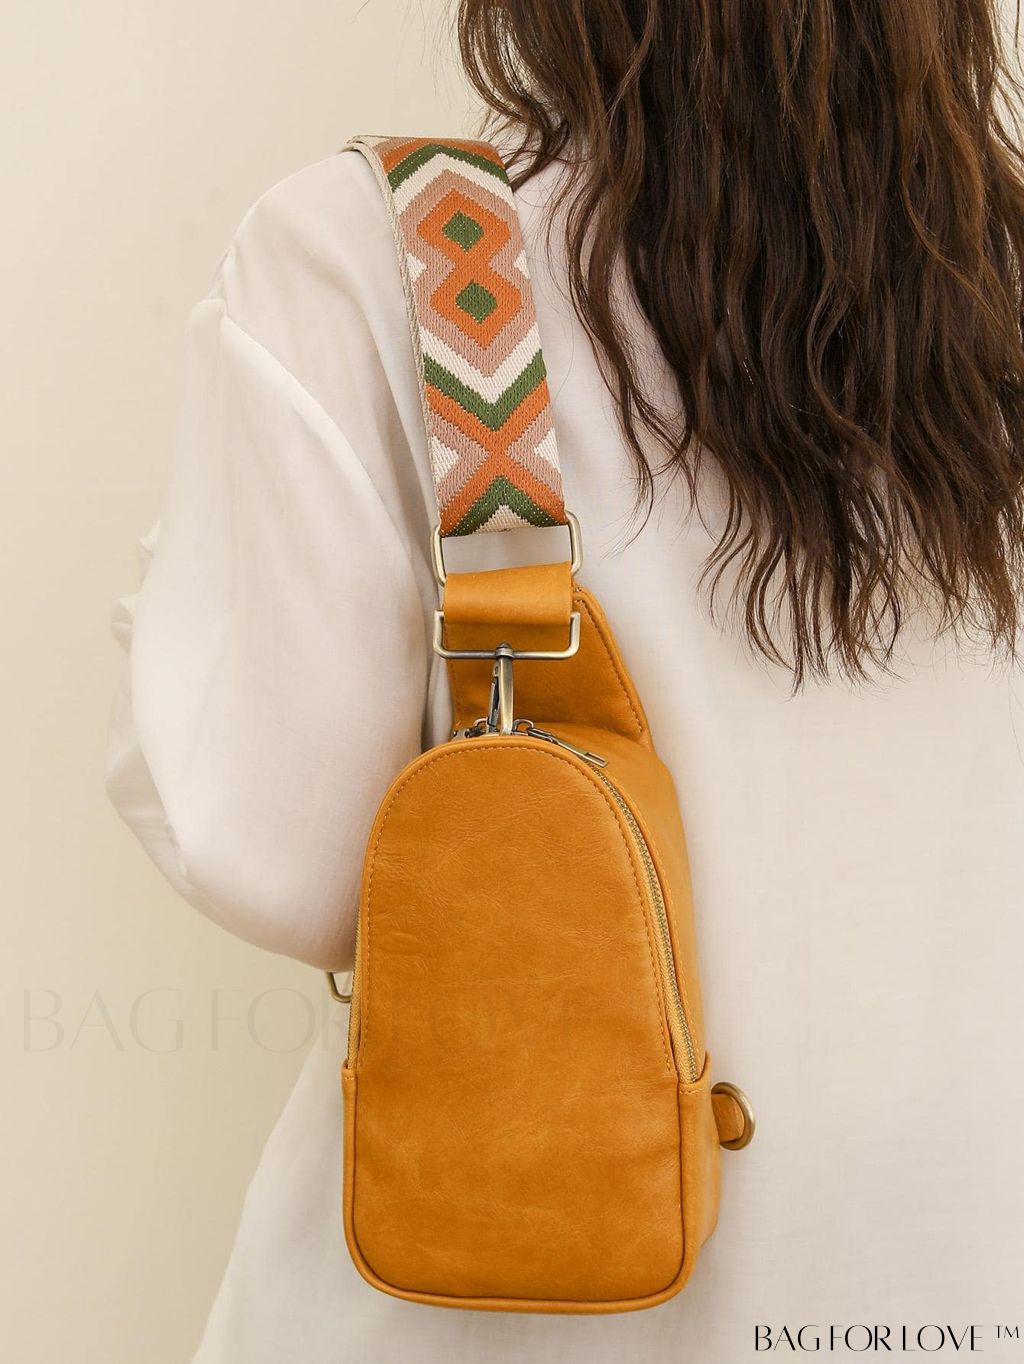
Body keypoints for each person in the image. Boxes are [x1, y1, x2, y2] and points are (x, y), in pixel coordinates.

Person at [106, 2, 1024, 1360]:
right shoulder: (997, 275)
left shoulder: (404, 255)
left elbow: (281, 858)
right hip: (953, 1268)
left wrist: (172, 605)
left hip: (499, 1293)